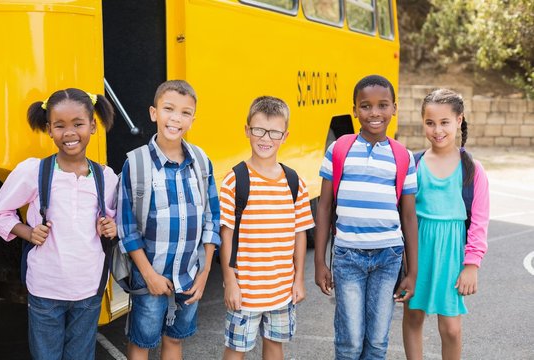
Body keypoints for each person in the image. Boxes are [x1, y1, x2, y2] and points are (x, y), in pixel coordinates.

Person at [0, 88, 117, 359]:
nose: (69, 133)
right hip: (45, 290)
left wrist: (111, 226)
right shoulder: (34, 171)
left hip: (88, 290)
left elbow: (115, 218)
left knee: (80, 355)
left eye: (78, 124)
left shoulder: (105, 177)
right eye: (60, 126)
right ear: (49, 129)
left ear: (93, 126)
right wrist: (27, 231)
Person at [314, 74, 419, 359]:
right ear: (354, 110)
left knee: (376, 341)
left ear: (394, 108)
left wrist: (412, 272)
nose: (374, 113)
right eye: (366, 106)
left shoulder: (403, 156)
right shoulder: (339, 150)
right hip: (348, 256)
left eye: (383, 105)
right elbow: (324, 207)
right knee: (349, 341)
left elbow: (409, 217)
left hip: (388, 257)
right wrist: (320, 260)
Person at [117, 80, 221, 360]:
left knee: (174, 341)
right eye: (168, 109)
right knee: (141, 343)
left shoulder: (201, 162)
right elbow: (127, 230)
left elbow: (212, 221)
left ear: (193, 119)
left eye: (185, 113)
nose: (176, 118)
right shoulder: (136, 165)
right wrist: (149, 275)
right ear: (154, 113)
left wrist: (205, 272)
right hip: (151, 277)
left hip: (190, 275)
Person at [219, 96, 314, 360]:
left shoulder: (295, 182)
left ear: (285, 136)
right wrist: (230, 282)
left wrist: (298, 280)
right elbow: (226, 236)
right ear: (247, 130)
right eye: (259, 130)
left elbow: (300, 234)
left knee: (274, 347)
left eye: (274, 132)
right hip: (245, 289)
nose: (266, 138)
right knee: (236, 350)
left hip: (281, 288)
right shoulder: (234, 180)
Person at [402, 89, 489, 360]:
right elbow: (404, 216)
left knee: (450, 328)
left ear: (459, 120)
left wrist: (472, 266)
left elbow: (479, 222)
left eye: (444, 122)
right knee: (414, 317)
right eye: (430, 123)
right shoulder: (413, 164)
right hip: (418, 252)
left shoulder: (472, 168)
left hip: (452, 256)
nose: (437, 130)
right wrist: (404, 262)